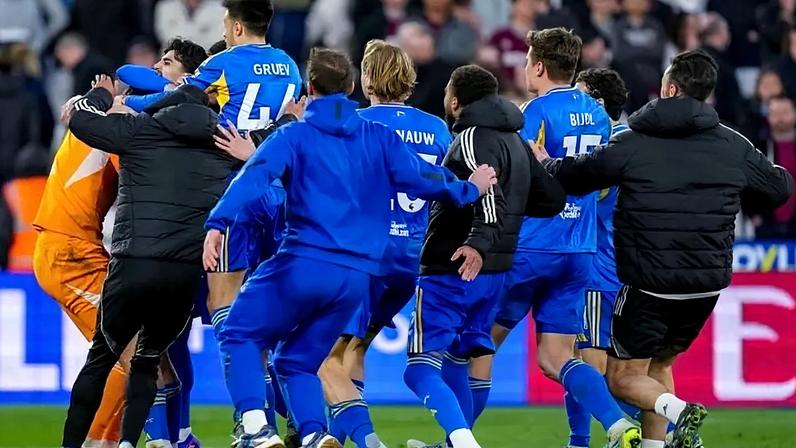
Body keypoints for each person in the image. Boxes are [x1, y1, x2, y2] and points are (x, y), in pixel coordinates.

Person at [203, 47, 495, 448]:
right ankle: (313, 435)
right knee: (298, 361)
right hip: (361, 276)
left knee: (238, 331)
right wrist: (470, 188)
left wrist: (218, 222)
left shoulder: (295, 134)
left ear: (309, 87)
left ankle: (256, 428)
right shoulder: (379, 137)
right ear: (352, 87)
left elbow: (255, 177)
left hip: (304, 262)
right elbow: (426, 178)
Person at [533, 49, 793, 448]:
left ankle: (676, 411)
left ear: (669, 88)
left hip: (648, 282)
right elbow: (779, 188)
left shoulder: (636, 141)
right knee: (660, 363)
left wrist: (546, 162)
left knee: (621, 378)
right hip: (707, 284)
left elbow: (578, 175)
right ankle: (656, 445)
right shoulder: (731, 143)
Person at [468, 27, 641, 448]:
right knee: (558, 357)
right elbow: (601, 186)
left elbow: (516, 180)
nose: (526, 67)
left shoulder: (534, 112)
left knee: (478, 344)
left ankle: (458, 438)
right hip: (579, 250)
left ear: (539, 66)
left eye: (528, 60)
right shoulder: (601, 117)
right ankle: (617, 425)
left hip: (531, 246)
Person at [60, 77, 239, 448]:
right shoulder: (226, 144)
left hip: (133, 263)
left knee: (101, 358)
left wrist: (102, 94)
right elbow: (279, 143)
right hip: (183, 273)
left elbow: (80, 120)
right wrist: (291, 117)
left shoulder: (142, 130)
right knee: (147, 359)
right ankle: (128, 443)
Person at [403, 64, 566, 448]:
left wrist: (478, 241)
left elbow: (488, 193)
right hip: (495, 274)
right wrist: (507, 223)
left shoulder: (473, 136)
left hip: (455, 264)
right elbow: (552, 198)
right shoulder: (516, 140)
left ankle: (463, 442)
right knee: (460, 359)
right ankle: (455, 442)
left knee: (420, 369)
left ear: (456, 101)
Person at [317, 39, 452, 448]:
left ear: (367, 79)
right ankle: (338, 438)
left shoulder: (354, 123)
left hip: (362, 257)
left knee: (321, 357)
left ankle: (367, 441)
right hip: (410, 259)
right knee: (354, 351)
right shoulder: (437, 129)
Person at [32, 94, 125, 447]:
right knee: (129, 351)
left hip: (67, 245)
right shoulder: (114, 129)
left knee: (127, 351)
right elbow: (143, 169)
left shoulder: (93, 121)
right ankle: (97, 442)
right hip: (71, 252)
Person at [567, 67, 632, 448]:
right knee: (617, 370)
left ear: (597, 102)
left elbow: (593, 197)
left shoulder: (604, 147)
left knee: (586, 364)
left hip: (596, 268)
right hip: (629, 270)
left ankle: (593, 438)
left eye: (579, 95)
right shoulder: (634, 141)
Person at [2, 143, 49, 272]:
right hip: (49, 267)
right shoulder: (54, 189)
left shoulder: (11, 190)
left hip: (18, 267)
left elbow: (3, 232)